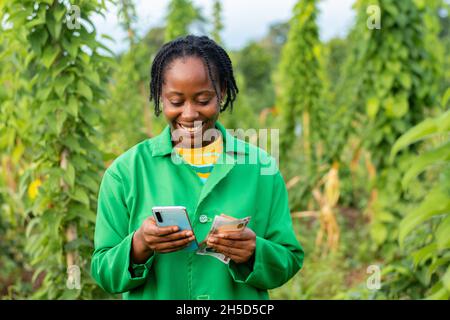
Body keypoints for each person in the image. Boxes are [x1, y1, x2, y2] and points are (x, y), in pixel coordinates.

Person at [91, 35, 304, 300]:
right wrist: (140, 245)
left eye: (203, 100)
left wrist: (254, 252)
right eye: (176, 102)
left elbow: (289, 258)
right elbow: (102, 270)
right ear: (160, 97)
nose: (190, 113)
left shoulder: (261, 168)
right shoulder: (126, 173)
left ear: (222, 93)